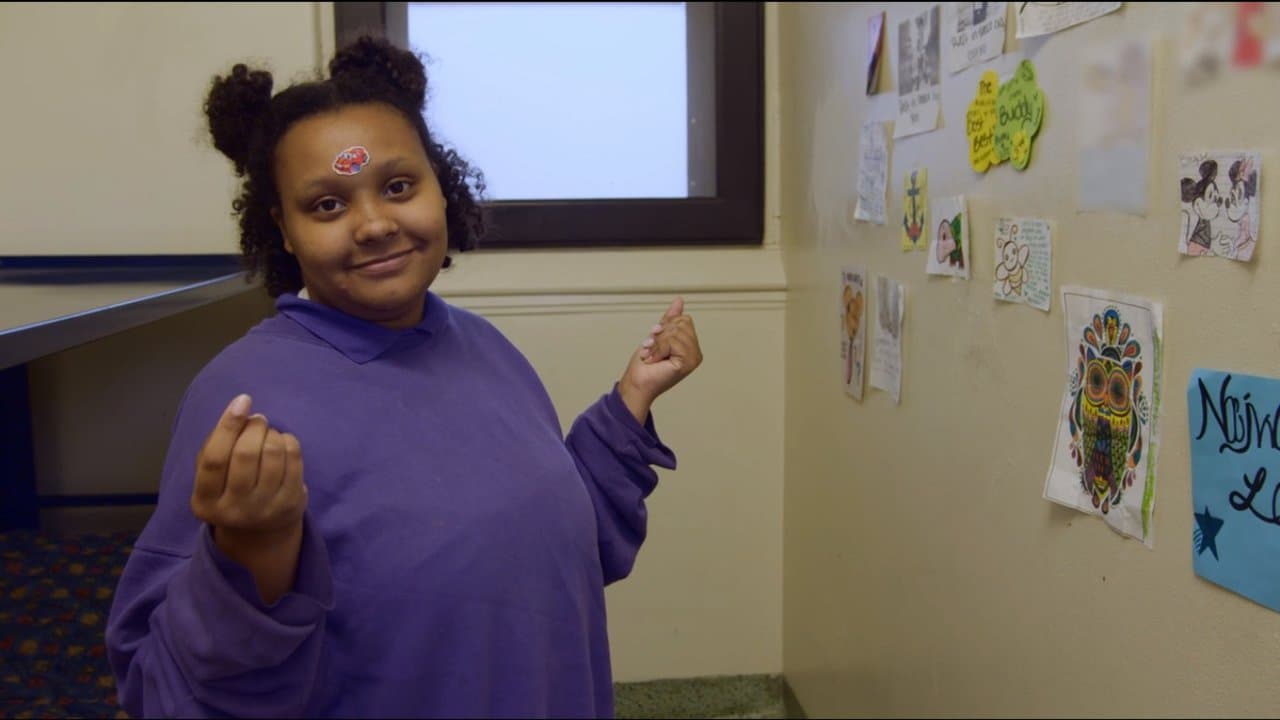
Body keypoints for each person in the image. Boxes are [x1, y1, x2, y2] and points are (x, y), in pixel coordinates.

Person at [104, 35, 703, 718]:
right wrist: (249, 552)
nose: (374, 224)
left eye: (397, 187)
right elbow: (163, 689)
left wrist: (629, 405)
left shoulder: (486, 348)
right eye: (327, 205)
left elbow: (555, 552)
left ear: (439, 190)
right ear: (284, 229)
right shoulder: (243, 398)